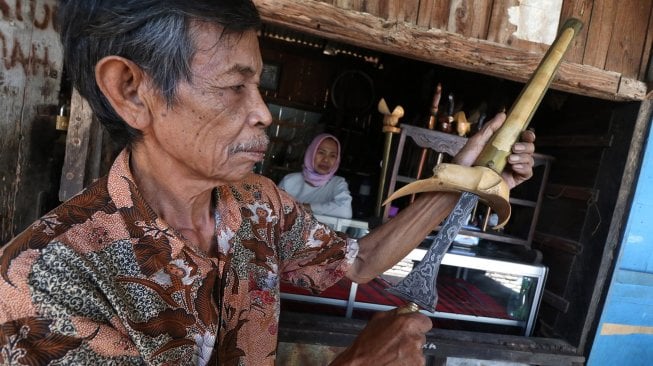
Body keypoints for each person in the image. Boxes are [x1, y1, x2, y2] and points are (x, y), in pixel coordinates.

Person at [0, 1, 536, 365]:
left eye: (256, 83)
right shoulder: (41, 281)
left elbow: (358, 262)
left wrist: (464, 176)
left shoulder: (257, 204)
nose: (262, 112)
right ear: (131, 90)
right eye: (234, 86)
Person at [278, 133, 353, 218]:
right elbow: (276, 210)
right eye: (321, 152)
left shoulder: (337, 183)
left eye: (332, 155)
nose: (326, 159)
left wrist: (304, 207)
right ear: (311, 153)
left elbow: (345, 211)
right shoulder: (289, 181)